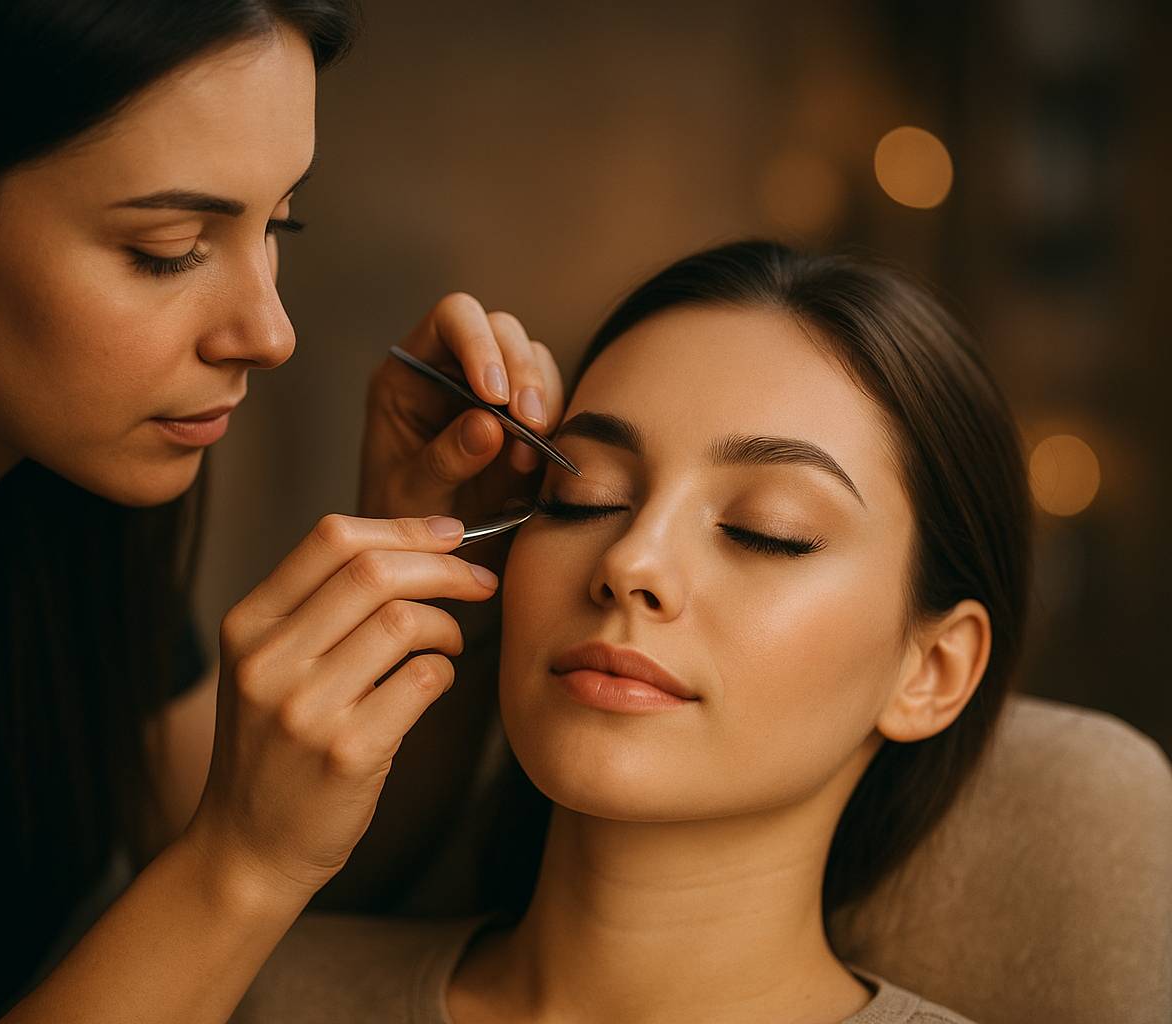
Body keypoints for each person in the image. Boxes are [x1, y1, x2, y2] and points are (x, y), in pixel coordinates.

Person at [0, 3, 568, 1021]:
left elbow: (312, 883)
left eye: (276, 227)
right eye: (169, 248)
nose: (270, 331)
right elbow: (233, 872)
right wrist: (237, 861)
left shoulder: (57, 496)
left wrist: (427, 553)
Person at [233, 240, 1033, 1023]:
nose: (632, 560)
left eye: (768, 529)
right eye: (583, 499)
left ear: (933, 671)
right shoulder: (242, 989)